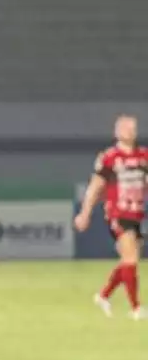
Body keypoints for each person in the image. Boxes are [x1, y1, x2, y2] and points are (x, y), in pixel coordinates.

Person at [75, 114, 146, 320]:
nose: (129, 131)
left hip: (136, 214)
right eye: (125, 128)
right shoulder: (109, 158)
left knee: (128, 261)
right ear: (116, 132)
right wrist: (85, 212)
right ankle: (136, 308)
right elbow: (96, 186)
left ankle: (103, 295)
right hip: (117, 213)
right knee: (131, 259)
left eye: (132, 127)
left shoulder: (143, 156)